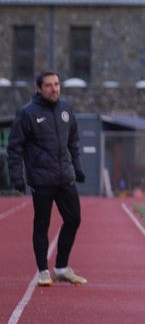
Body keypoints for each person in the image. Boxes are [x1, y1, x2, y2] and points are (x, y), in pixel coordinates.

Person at [9, 72, 87, 285]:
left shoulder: (66, 109)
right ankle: (43, 271)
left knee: (74, 219)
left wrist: (78, 168)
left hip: (65, 177)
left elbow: (73, 142)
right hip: (41, 179)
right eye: (49, 85)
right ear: (38, 89)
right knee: (42, 224)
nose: (54, 89)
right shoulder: (27, 113)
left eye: (57, 84)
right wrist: (17, 177)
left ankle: (61, 268)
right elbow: (14, 148)